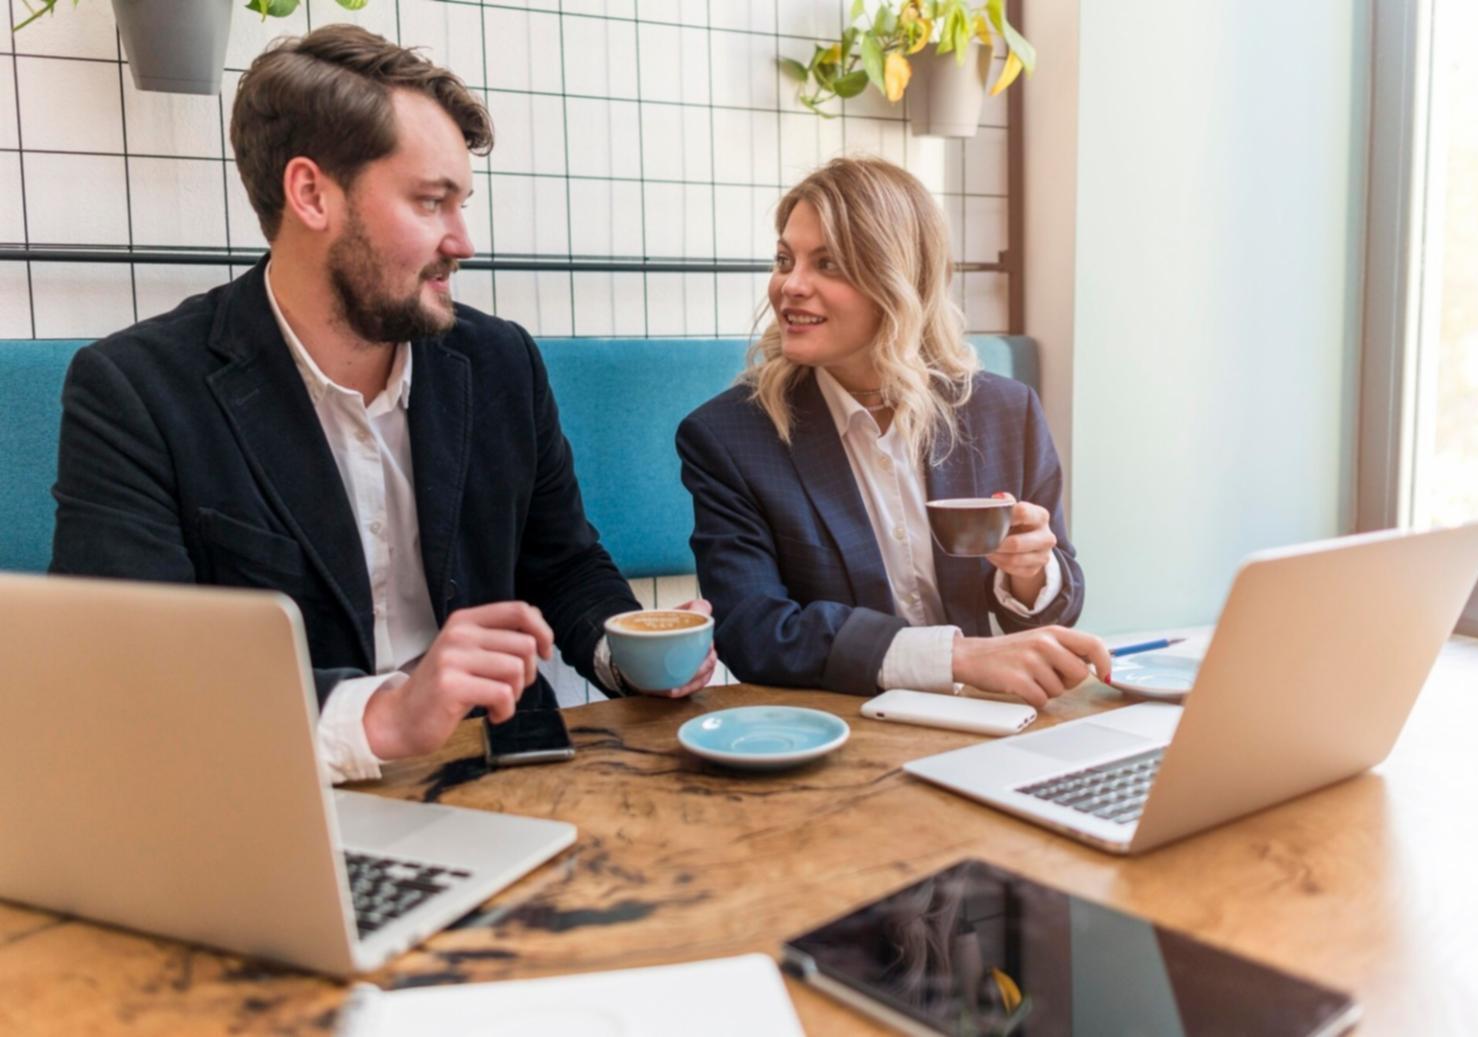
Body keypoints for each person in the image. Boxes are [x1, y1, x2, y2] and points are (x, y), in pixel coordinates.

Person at [49, 25, 714, 784]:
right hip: (273, 791)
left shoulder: (501, 362)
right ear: (311, 194)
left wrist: (629, 653)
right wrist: (387, 713)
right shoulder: (135, 390)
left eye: (461, 203)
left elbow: (562, 564)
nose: (463, 240)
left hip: (503, 773)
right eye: (432, 202)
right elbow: (134, 671)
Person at [676, 157, 1109, 706]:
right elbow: (756, 632)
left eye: (827, 263)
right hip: (842, 727)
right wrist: (958, 656)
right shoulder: (728, 437)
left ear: (900, 281)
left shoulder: (1005, 411)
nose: (790, 285)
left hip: (988, 717)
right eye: (785, 260)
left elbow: (1059, 604)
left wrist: (1030, 571)